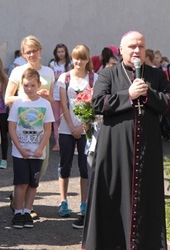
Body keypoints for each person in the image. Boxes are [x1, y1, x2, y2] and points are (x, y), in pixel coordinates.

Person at [82, 31, 170, 249]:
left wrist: (149, 95)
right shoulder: (108, 74)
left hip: (147, 150)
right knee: (112, 196)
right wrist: (129, 95)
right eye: (132, 46)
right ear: (121, 49)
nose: (137, 50)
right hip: (114, 150)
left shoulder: (156, 75)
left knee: (146, 198)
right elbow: (97, 103)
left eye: (141, 46)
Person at [5, 35, 54, 219]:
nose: (31, 54)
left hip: (41, 127)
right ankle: (21, 207)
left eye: (34, 50)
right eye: (28, 52)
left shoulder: (49, 72)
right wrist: (28, 99)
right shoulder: (18, 72)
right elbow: (7, 98)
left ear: (40, 50)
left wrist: (44, 98)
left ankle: (26, 204)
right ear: (23, 54)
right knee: (22, 168)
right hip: (23, 126)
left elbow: (52, 100)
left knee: (40, 167)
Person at [56, 45, 98, 228]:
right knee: (64, 165)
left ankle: (84, 203)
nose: (78, 61)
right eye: (75, 58)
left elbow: (95, 104)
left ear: (87, 59)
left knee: (84, 166)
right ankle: (63, 201)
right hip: (67, 128)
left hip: (86, 129)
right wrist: (72, 125)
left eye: (82, 58)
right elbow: (63, 105)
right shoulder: (64, 78)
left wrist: (83, 125)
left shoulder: (94, 78)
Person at [49, 43, 72, 152]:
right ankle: (57, 142)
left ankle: (68, 141)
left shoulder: (70, 63)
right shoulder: (53, 64)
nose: (61, 54)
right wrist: (62, 75)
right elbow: (51, 78)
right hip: (55, 94)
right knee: (56, 119)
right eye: (59, 52)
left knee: (66, 117)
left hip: (66, 94)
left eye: (62, 51)